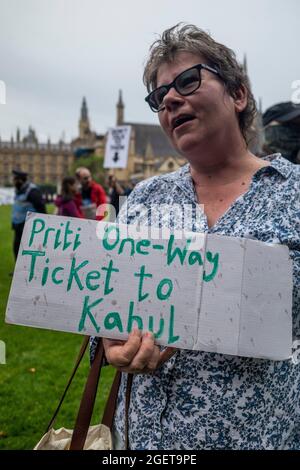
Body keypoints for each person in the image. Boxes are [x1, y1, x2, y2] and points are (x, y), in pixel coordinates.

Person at [91, 24, 300, 449]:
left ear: (238, 95)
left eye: (187, 80)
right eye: (158, 95)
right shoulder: (145, 198)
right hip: (145, 442)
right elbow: (104, 297)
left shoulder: (293, 192)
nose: (169, 98)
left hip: (257, 436)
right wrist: (111, 341)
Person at [11, 169, 46, 259]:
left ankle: (26, 270)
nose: (13, 181)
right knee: (17, 248)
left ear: (20, 180)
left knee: (27, 249)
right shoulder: (19, 190)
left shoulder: (32, 191)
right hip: (18, 225)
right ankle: (18, 270)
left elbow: (41, 207)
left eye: (14, 179)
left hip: (28, 225)